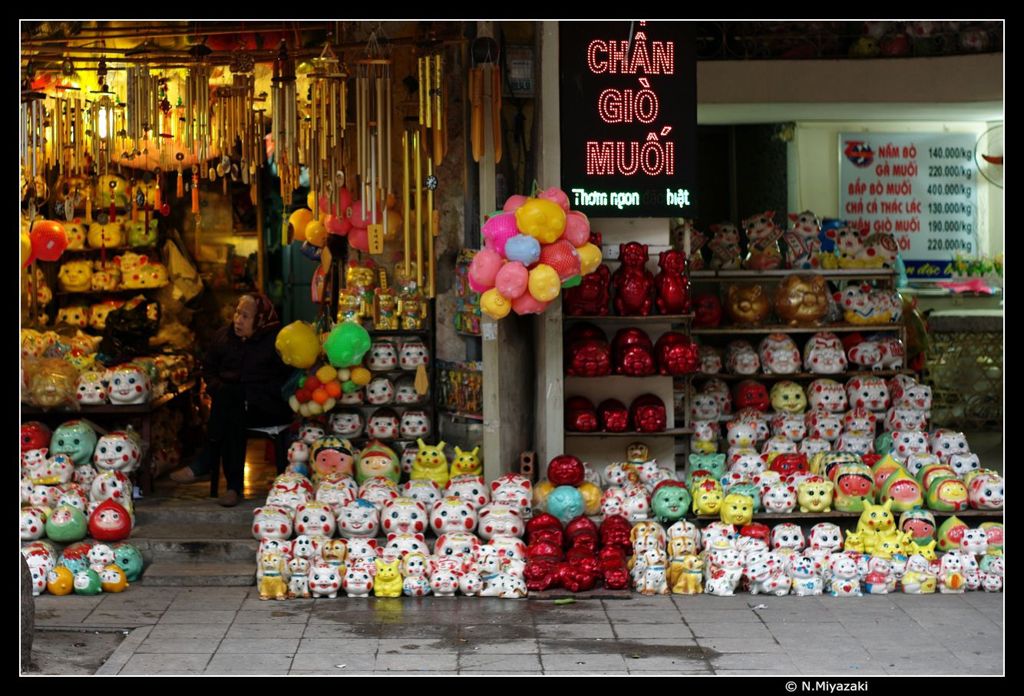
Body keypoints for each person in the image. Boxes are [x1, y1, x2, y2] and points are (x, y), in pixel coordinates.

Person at [170, 293, 294, 506]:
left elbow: (285, 380)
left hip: (267, 407)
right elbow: (208, 369)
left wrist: (250, 391)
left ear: (260, 320)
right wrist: (220, 388)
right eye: (237, 313)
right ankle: (230, 487)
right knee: (232, 408)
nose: (238, 320)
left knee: (230, 403)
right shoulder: (224, 337)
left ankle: (219, 472)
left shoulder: (276, 342)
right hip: (234, 406)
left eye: (246, 316)